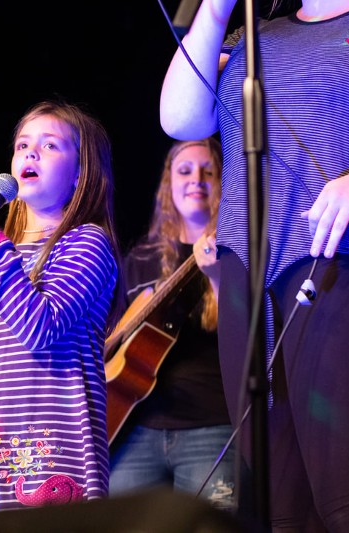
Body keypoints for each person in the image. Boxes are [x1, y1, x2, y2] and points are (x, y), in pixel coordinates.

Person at [159, 0, 349, 530]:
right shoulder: (255, 32)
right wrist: (213, 11)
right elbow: (180, 118)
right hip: (244, 272)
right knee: (280, 503)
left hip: (337, 258)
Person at [0, 99, 123, 514]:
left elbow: (40, 328)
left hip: (59, 455)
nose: (30, 153)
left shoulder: (87, 244)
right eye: (23, 145)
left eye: (50, 146)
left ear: (81, 173)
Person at [107, 136, 238, 510]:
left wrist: (216, 278)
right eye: (184, 170)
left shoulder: (237, 251)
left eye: (208, 171)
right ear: (169, 185)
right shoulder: (139, 257)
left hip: (210, 425)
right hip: (135, 427)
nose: (196, 178)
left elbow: (248, 340)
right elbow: (112, 338)